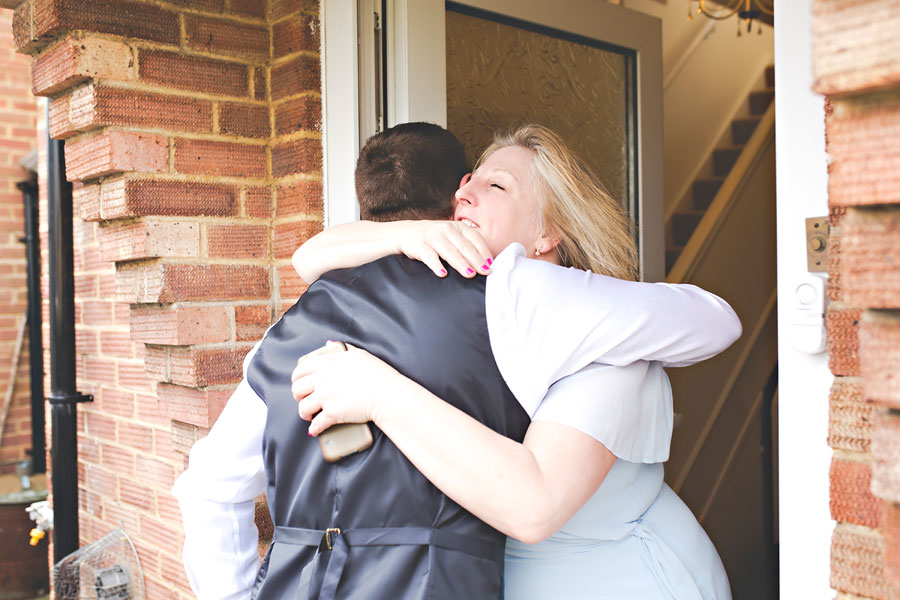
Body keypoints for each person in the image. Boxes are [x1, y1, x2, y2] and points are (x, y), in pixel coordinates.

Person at [173, 122, 739, 599]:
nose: (464, 194)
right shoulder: (365, 301)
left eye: (494, 185)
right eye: (464, 184)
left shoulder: (570, 314)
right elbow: (310, 256)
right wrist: (412, 233)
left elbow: (534, 505)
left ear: (547, 233)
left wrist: (381, 392)